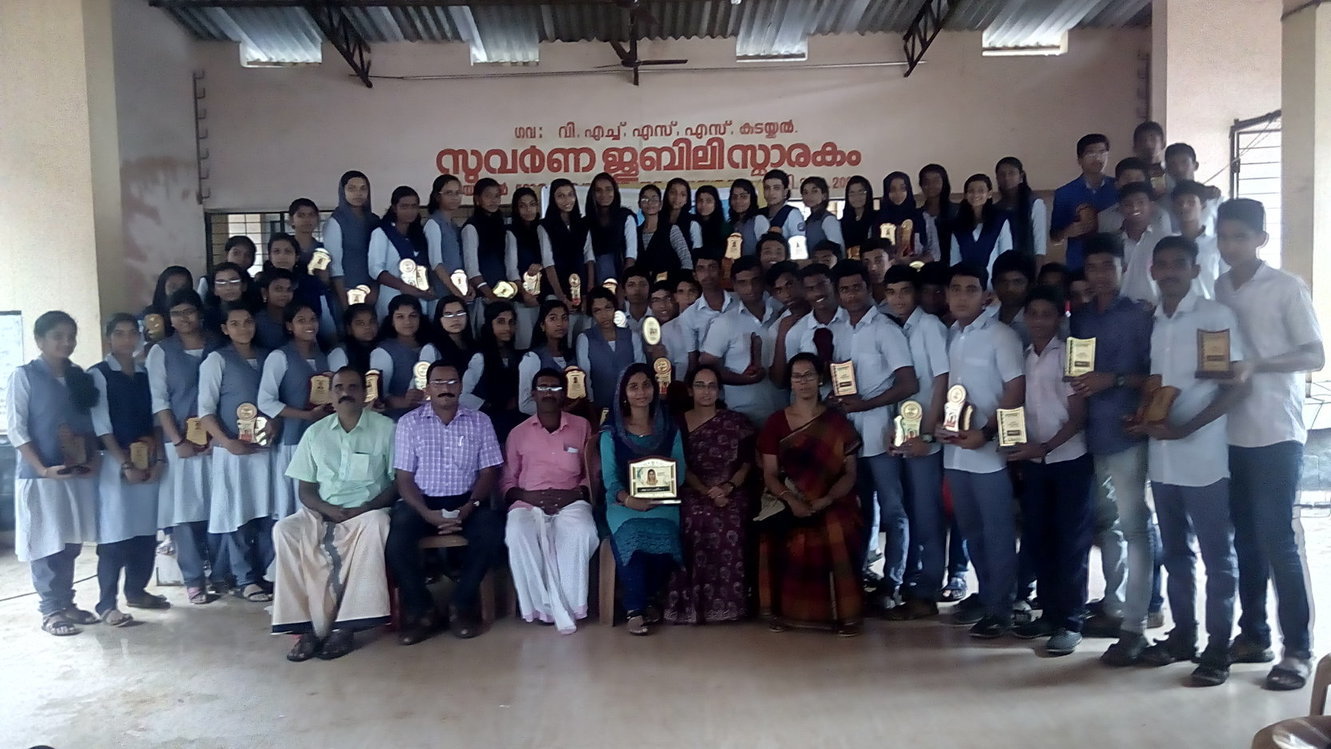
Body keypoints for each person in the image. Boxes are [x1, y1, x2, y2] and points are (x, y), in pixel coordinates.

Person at [1214, 198, 1323, 690]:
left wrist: (1258, 364)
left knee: (1277, 538)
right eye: (1224, 236)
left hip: (1277, 430)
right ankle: (1253, 635)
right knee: (1244, 538)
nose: (1230, 245)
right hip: (1231, 431)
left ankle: (1297, 649)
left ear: (1261, 239)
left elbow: (1315, 354)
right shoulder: (1220, 287)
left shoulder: (1286, 287)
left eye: (1240, 236)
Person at [1131, 235, 1244, 687]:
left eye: (1180, 264)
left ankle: (1218, 648)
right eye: (1162, 265)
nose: (1170, 272)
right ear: (1152, 272)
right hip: (1162, 458)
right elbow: (1154, 385)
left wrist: (1187, 428)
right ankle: (1183, 636)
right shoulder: (1155, 322)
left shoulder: (1216, 316)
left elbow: (1234, 388)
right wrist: (1141, 417)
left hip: (1203, 456)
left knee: (1218, 556)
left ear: (1195, 270)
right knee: (1175, 553)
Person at [1070, 233, 1163, 664]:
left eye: (1108, 265)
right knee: (1108, 524)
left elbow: (1156, 376)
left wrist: (1116, 380)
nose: (1100, 274)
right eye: (1092, 267)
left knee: (1135, 525)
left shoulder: (1140, 317)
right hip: (1092, 433)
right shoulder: (1080, 318)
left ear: (1123, 268)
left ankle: (1137, 623)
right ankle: (1114, 603)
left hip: (1128, 431)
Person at [272, 367, 398, 662]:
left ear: (365, 393)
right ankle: (305, 628)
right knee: (284, 530)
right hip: (323, 512)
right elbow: (305, 490)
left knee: (378, 523)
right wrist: (327, 509)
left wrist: (366, 507)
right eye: (339, 388)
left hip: (367, 513)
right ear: (330, 395)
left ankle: (346, 627)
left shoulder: (386, 429)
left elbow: (397, 483)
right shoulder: (315, 433)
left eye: (353, 387)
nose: (345, 393)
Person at [386, 361, 504, 645]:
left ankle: (461, 604)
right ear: (427, 388)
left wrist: (471, 505)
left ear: (461, 387)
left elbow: (489, 472)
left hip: (467, 501)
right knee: (396, 536)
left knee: (492, 530)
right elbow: (404, 478)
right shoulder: (409, 423)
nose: (446, 388)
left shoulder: (480, 421)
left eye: (452, 382)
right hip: (422, 503)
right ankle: (422, 609)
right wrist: (426, 513)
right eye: (438, 383)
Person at [938, 263, 1025, 638]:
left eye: (970, 289)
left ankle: (1003, 608)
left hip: (989, 452)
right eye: (955, 289)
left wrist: (987, 433)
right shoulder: (951, 335)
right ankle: (989, 597)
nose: (961, 297)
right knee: (971, 530)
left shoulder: (1001, 336)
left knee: (998, 532)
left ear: (986, 296)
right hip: (956, 451)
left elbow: (1016, 389)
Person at [1006, 286, 1093, 656]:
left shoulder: (1069, 356)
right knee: (1039, 537)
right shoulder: (1025, 356)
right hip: (1035, 462)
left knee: (1071, 541)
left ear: (1060, 318)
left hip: (1070, 459)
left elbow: (1078, 417)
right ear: (1025, 317)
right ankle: (1049, 613)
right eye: (1033, 313)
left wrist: (1044, 448)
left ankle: (1071, 621)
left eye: (1047, 314)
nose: (1039, 320)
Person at [828, 260, 919, 595]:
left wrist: (865, 404)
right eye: (845, 289)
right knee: (859, 508)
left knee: (894, 510)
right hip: (849, 435)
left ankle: (893, 583)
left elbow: (908, 383)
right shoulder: (839, 330)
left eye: (857, 287)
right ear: (837, 294)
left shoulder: (885, 328)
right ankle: (860, 577)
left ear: (869, 288)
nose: (851, 295)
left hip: (881, 432)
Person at [8, 311, 101, 636]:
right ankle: (50, 610)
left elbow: (89, 424)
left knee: (69, 542)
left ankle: (66, 602)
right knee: (44, 542)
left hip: (75, 473)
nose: (66, 342)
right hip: (41, 476)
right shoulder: (24, 376)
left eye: (71, 336)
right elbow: (17, 428)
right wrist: (42, 468)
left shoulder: (78, 376)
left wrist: (92, 460)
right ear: (39, 340)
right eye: (58, 336)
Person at [757, 353, 863, 635]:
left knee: (835, 526)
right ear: (790, 383)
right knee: (782, 531)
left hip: (831, 496)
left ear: (820, 380)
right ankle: (782, 612)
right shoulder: (776, 422)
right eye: (797, 376)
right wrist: (792, 501)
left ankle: (844, 616)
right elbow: (769, 474)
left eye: (809, 375)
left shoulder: (837, 422)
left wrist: (827, 499)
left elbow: (850, 473)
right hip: (788, 496)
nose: (803, 382)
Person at [501, 368, 598, 634]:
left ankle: (569, 605)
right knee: (516, 532)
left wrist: (575, 494)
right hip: (528, 502)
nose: (549, 393)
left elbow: (592, 473)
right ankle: (542, 607)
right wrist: (527, 497)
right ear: (533, 394)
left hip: (571, 500)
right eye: (543, 387)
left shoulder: (581, 427)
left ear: (564, 393)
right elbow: (507, 482)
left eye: (555, 388)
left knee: (583, 531)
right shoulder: (518, 433)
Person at [89, 315, 168, 627]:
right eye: (119, 333)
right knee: (115, 533)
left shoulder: (145, 373)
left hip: (146, 458)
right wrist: (124, 463)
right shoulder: (99, 374)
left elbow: (157, 419)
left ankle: (137, 591)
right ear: (108, 337)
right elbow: (102, 425)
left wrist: (158, 458)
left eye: (131, 333)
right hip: (115, 461)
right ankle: (106, 604)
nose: (126, 339)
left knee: (145, 531)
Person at [880, 264, 950, 619]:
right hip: (905, 434)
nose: (898, 299)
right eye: (891, 293)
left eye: (905, 291)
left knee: (927, 515)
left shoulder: (930, 326)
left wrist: (928, 433)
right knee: (910, 511)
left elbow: (942, 379)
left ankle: (928, 589)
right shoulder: (897, 328)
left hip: (925, 438)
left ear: (917, 293)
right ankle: (912, 582)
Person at [147, 289, 225, 605]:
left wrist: (218, 437)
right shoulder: (161, 352)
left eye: (189, 311)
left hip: (218, 441)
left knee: (220, 508)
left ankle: (221, 574)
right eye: (176, 313)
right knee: (185, 512)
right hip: (179, 444)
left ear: (200, 314)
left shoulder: (218, 345)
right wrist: (178, 440)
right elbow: (159, 401)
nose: (184, 318)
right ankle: (193, 579)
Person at [664, 365, 756, 624]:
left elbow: (746, 463)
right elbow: (680, 465)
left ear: (719, 390)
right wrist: (706, 491)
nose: (706, 391)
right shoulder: (677, 423)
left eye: (712, 386)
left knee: (731, 518)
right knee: (693, 517)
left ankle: (730, 604)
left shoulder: (735, 422)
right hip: (692, 487)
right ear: (690, 390)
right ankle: (692, 605)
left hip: (731, 489)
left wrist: (728, 487)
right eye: (700, 385)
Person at [599, 364, 687, 635]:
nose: (641, 392)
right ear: (623, 393)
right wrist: (629, 500)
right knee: (633, 534)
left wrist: (662, 492)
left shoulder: (669, 427)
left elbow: (680, 471)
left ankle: (648, 599)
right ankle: (635, 609)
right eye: (633, 387)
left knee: (665, 535)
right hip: (623, 503)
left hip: (662, 502)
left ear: (655, 389)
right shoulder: (611, 431)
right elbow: (609, 477)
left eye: (646, 385)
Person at [199, 303, 277, 604]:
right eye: (235, 323)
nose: (243, 328)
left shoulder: (269, 358)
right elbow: (205, 411)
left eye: (248, 322)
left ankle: (266, 572)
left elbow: (277, 401)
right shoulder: (217, 360)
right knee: (238, 514)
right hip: (232, 452)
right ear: (224, 328)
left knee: (267, 512)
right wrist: (227, 441)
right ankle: (245, 578)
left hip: (265, 449)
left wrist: (275, 424)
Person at [259, 301, 332, 519]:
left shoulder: (322, 356)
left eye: (313, 320)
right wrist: (305, 415)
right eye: (301, 321)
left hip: (321, 439)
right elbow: (266, 401)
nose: (309, 325)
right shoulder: (280, 357)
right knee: (294, 503)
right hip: (292, 439)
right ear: (290, 326)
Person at [699, 256, 784, 427]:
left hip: (784, 410)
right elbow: (707, 368)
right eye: (743, 283)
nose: (750, 288)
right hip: (742, 416)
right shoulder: (724, 323)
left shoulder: (780, 312)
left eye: (755, 280)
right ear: (734, 285)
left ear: (763, 281)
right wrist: (744, 379)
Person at [1051, 134, 1118, 271]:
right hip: (1079, 263)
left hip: (1113, 261)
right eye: (1091, 153)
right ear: (1079, 160)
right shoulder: (1064, 193)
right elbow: (1054, 237)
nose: (1097, 158)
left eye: (1102, 152)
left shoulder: (1118, 188)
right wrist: (1067, 232)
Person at [460, 301, 524, 443]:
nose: (507, 328)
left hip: (514, 426)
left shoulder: (516, 356)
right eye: (501, 322)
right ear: (490, 324)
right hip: (487, 428)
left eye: (511, 322)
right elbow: (463, 396)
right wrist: (493, 406)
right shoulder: (480, 357)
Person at [772, 263, 841, 387]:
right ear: (804, 293)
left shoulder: (852, 322)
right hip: (812, 397)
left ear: (833, 284)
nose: (817, 293)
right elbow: (787, 378)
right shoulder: (796, 332)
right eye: (810, 289)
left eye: (822, 285)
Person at [370, 185, 434, 320]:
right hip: (392, 297)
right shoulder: (381, 233)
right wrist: (404, 287)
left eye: (414, 206)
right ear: (394, 208)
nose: (410, 211)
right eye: (404, 206)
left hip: (420, 299)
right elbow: (375, 270)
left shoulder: (418, 234)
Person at [577, 287, 645, 411]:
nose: (604, 315)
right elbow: (585, 377)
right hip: (600, 406)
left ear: (615, 308)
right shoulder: (585, 338)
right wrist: (591, 406)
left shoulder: (632, 336)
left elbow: (640, 370)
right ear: (591, 313)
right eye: (597, 310)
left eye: (608, 308)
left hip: (631, 405)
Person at [265, 232, 335, 348]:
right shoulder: (261, 283)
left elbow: (326, 321)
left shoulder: (312, 283)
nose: (282, 256)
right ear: (270, 256)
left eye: (288, 251)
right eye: (276, 251)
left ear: (297, 256)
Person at [324, 170, 379, 308]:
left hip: (375, 291)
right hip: (347, 291)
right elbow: (334, 265)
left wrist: (376, 288)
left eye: (363, 188)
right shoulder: (336, 222)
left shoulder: (374, 220)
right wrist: (344, 302)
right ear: (343, 191)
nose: (358, 193)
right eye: (352, 188)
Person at [370, 296, 431, 419]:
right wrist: (406, 401)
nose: (407, 322)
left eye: (413, 316)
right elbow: (379, 396)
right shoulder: (383, 351)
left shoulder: (431, 346)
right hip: (397, 420)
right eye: (400, 317)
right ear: (392, 321)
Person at [539, 178, 593, 312]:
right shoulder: (544, 226)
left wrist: (588, 293)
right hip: (556, 291)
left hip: (581, 291)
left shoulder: (583, 225)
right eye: (561, 196)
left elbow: (589, 258)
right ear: (553, 199)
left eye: (570, 195)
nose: (567, 200)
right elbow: (548, 264)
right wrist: (561, 297)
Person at [951, 174, 1013, 281]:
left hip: (993, 283)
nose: (975, 194)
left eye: (981, 191)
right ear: (965, 195)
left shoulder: (1000, 221)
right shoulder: (958, 224)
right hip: (966, 283)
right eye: (971, 191)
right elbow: (955, 260)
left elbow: (1006, 257)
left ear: (989, 194)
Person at [1116, 182, 1170, 305]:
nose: (1134, 208)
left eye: (1140, 202)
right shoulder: (1113, 242)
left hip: (1158, 309)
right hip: (1120, 311)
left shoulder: (1164, 240)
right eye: (1128, 204)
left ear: (1152, 206)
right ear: (1120, 209)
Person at [1170, 180, 1226, 298]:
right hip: (1176, 305)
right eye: (1179, 203)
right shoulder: (1168, 244)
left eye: (1191, 202)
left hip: (1210, 305)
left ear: (1203, 206)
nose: (1184, 207)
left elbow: (1226, 278)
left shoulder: (1217, 244)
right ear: (1173, 207)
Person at [463, 178, 510, 317]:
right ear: (477, 199)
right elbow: (471, 269)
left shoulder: (500, 225)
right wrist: (491, 296)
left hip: (503, 295)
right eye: (488, 196)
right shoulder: (471, 227)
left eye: (497, 196)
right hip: (483, 298)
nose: (493, 200)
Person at [678, 256, 733, 373]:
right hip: (711, 375)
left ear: (721, 272)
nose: (707, 274)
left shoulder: (738, 302)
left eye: (712, 267)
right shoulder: (688, 316)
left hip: (743, 371)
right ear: (695, 275)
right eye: (701, 269)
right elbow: (693, 358)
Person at [506, 186, 544, 349]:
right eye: (523, 206)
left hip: (544, 295)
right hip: (523, 299)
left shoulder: (543, 229)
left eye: (532, 204)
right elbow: (511, 268)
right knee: (526, 342)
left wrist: (541, 266)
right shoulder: (511, 232)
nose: (529, 210)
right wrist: (524, 293)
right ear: (516, 209)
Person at [1097, 157, 1172, 236]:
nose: (1132, 184)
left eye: (1138, 179)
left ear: (1146, 183)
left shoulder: (1160, 215)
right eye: (1127, 179)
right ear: (1116, 184)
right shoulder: (1104, 217)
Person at [586, 172, 637, 285]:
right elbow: (588, 257)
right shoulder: (586, 222)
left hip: (622, 278)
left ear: (615, 191)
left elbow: (631, 255)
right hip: (592, 280)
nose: (604, 194)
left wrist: (623, 286)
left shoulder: (626, 217)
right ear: (592, 194)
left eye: (608, 189)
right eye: (598, 190)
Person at [994, 156, 1048, 263]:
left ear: (1021, 176)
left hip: (1028, 264)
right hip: (1003, 265)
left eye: (1011, 173)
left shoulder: (1035, 203)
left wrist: (1038, 270)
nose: (1006, 178)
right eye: (1002, 174)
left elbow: (1040, 244)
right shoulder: (995, 208)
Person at [425, 173, 469, 300]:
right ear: (437, 196)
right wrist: (455, 291)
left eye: (457, 193)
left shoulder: (454, 225)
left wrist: (467, 286)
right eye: (449, 193)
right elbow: (436, 264)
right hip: (441, 295)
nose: (454, 197)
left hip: (459, 290)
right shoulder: (433, 224)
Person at [635, 184, 693, 279]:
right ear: (639, 204)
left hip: (669, 284)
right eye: (645, 199)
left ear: (660, 204)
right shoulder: (636, 233)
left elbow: (686, 259)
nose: (650, 203)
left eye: (654, 199)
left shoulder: (671, 230)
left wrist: (684, 280)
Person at [1164, 142, 1223, 232]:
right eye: (1173, 164)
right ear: (1167, 170)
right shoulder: (1162, 204)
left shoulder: (1215, 200)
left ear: (1195, 165)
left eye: (1184, 162)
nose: (1179, 169)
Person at [988, 250, 1036, 347]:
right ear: (993, 284)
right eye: (1003, 282)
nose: (1009, 288)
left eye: (1017, 282)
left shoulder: (1038, 324)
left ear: (1030, 285)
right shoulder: (988, 322)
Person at [876, 171, 928, 260]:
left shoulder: (919, 216)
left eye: (902, 188)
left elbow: (929, 249)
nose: (898, 193)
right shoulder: (879, 218)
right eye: (892, 190)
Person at [919, 164, 958, 263]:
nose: (931, 185)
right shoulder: (917, 215)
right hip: (923, 267)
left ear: (944, 183)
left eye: (936, 181)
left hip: (952, 265)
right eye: (926, 182)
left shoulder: (957, 211)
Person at [327, 302, 378, 375]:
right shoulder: (340, 352)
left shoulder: (382, 347)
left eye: (372, 322)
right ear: (349, 329)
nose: (368, 327)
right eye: (360, 323)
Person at [425, 295, 472, 374]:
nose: (455, 319)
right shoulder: (432, 349)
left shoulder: (474, 345)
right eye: (448, 314)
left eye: (460, 313)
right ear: (440, 319)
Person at [202, 262, 253, 333]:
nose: (228, 288)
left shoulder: (256, 314)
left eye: (234, 282)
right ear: (214, 290)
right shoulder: (207, 318)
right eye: (221, 283)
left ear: (244, 286)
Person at [145, 266, 193, 340]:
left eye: (184, 288)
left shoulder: (198, 315)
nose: (178, 292)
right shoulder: (150, 315)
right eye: (173, 287)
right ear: (162, 288)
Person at [754, 169, 804, 238]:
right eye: (767, 188)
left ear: (785, 192)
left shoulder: (792, 214)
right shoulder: (759, 214)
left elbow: (799, 241)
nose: (771, 193)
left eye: (776, 188)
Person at [254, 267, 295, 351]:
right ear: (265, 292)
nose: (284, 294)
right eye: (278, 289)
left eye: (289, 290)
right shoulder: (256, 322)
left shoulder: (298, 318)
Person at [800, 176, 845, 252]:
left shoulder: (829, 220)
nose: (809, 196)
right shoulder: (809, 220)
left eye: (814, 191)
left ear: (824, 196)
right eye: (805, 192)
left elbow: (838, 250)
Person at [839, 175, 878, 252]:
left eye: (861, 192)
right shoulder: (842, 222)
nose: (857, 197)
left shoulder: (877, 218)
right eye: (852, 193)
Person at [664, 177, 704, 251]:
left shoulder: (692, 223)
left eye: (683, 194)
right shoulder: (657, 219)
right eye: (673, 192)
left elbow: (697, 252)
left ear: (686, 199)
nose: (677, 197)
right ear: (667, 194)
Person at [692, 184, 728, 259]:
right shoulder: (691, 224)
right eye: (700, 200)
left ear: (716, 203)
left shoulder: (725, 227)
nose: (703, 205)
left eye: (708, 201)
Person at [728, 178, 762, 256]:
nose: (738, 201)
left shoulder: (758, 220)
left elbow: (765, 249)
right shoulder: (732, 223)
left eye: (743, 197)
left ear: (752, 199)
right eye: (734, 197)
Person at [1133, 120, 1168, 191]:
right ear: (1134, 147)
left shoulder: (1170, 171)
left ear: (1163, 144)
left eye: (1153, 139)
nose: (1148, 144)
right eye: (1142, 140)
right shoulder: (1130, 174)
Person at [621, 267, 654, 335]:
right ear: (624, 291)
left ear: (649, 288)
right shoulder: (620, 321)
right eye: (631, 285)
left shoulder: (658, 317)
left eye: (642, 284)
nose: (637, 289)